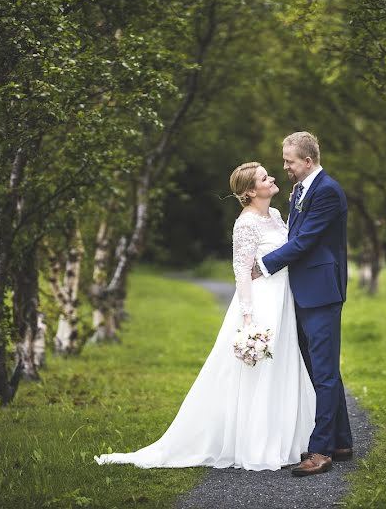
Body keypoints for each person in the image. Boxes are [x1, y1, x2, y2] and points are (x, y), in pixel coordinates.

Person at [94, 162, 315, 471]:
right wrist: (248, 317)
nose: (273, 178)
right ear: (251, 191)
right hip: (261, 302)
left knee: (283, 365)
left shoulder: (276, 215)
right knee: (258, 371)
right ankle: (256, 443)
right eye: (265, 177)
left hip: (283, 300)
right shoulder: (246, 223)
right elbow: (241, 271)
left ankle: (287, 439)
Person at [255, 131, 353, 477]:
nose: (285, 167)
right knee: (320, 369)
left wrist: (264, 265)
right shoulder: (301, 190)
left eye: (289, 161)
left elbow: (306, 240)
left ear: (307, 162)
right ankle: (341, 440)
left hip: (321, 291)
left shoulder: (327, 191)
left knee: (324, 373)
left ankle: (321, 451)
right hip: (303, 290)